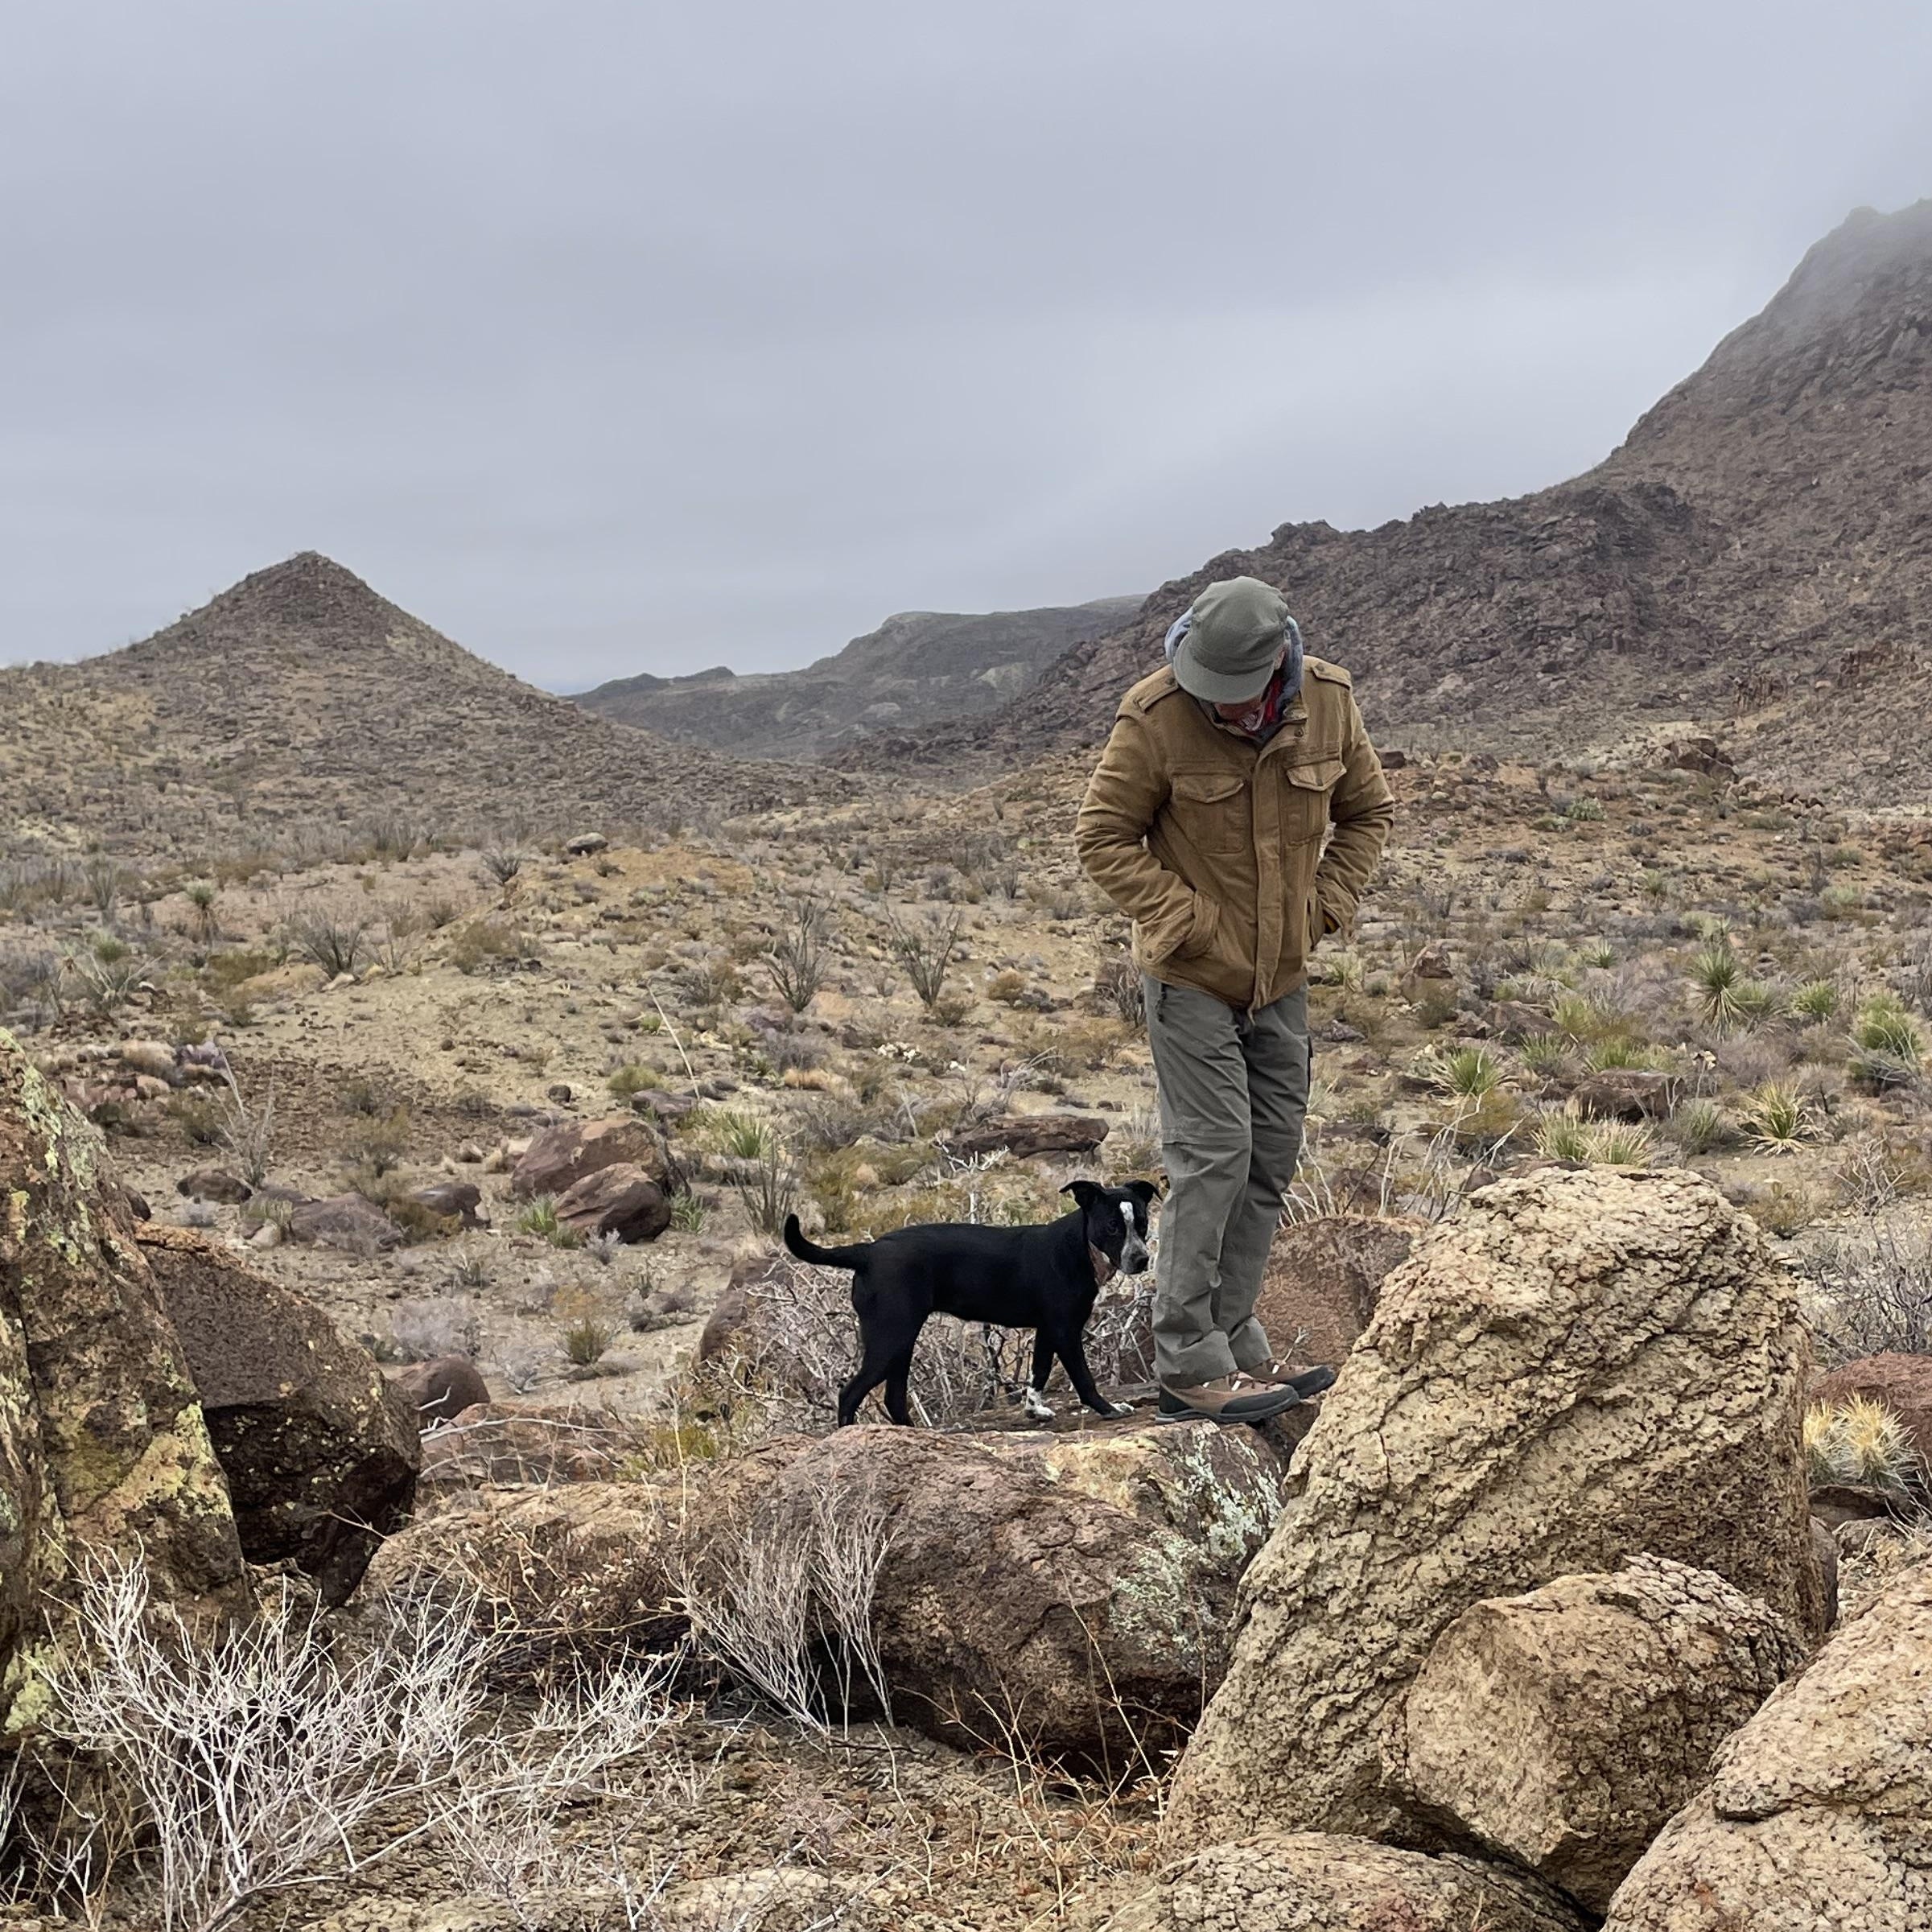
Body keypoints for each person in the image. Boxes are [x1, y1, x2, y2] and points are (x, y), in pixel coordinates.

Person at [1075, 575, 1394, 1422]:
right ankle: (1185, 1360)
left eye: (1235, 697)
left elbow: (1367, 812)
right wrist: (1184, 918)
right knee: (1213, 1156)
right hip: (1190, 980)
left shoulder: (1328, 701)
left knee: (1267, 1161)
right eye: (1207, 693)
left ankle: (1232, 1335)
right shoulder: (1154, 714)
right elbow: (1101, 836)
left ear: (1278, 662)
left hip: (1280, 979)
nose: (1220, 709)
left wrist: (1323, 906)